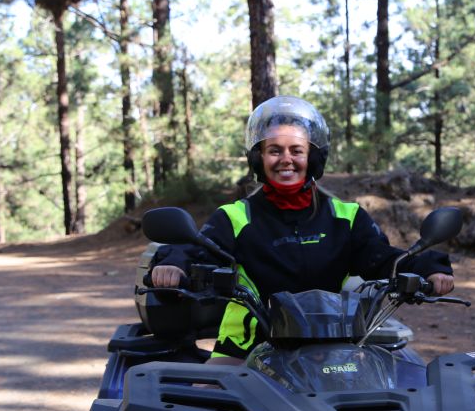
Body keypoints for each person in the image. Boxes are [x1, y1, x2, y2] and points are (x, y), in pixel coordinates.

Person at [150, 95, 455, 363]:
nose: (286, 159)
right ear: (259, 157)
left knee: (392, 401)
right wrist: (174, 265)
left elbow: (384, 258)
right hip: (247, 351)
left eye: (296, 150)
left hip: (332, 349)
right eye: (274, 150)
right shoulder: (235, 217)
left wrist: (429, 268)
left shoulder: (345, 216)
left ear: (312, 157)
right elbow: (199, 250)